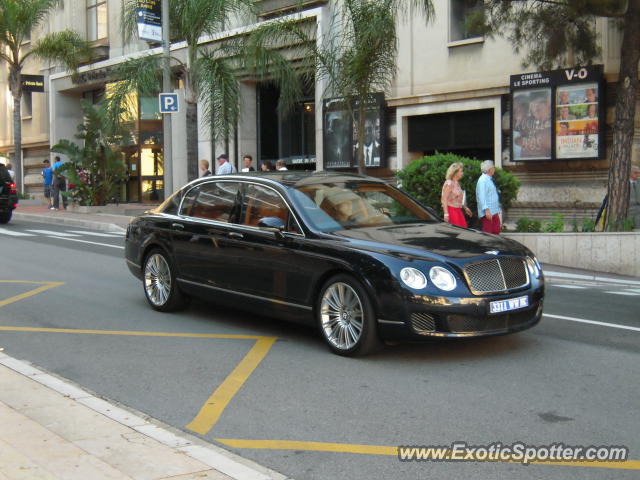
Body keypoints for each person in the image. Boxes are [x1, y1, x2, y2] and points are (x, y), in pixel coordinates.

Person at [441, 162, 472, 228]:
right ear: (455, 172)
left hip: (458, 210)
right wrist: (446, 214)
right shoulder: (449, 183)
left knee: (462, 231)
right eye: (461, 171)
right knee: (456, 232)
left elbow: (458, 199)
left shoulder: (456, 183)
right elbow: (444, 199)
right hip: (451, 211)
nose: (462, 173)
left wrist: (465, 208)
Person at [476, 160, 502, 234]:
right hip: (488, 212)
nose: (494, 169)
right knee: (488, 233)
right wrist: (486, 210)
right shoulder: (482, 180)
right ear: (490, 169)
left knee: (496, 231)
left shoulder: (488, 179)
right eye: (493, 168)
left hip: (494, 211)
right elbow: (481, 196)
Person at [630, 166, 640, 230]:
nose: (638, 175)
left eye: (638, 173)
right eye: (635, 173)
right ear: (630, 173)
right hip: (628, 212)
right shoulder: (623, 183)